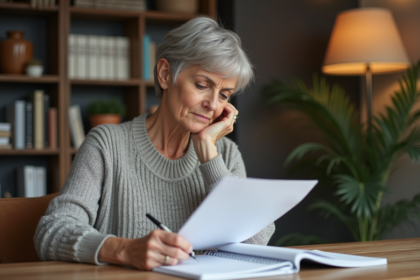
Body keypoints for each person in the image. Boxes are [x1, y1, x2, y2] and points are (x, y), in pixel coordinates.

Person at [35, 16, 275, 271]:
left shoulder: (224, 154)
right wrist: (125, 250)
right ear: (164, 75)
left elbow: (258, 243)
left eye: (224, 95)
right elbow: (51, 231)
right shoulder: (107, 146)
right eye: (202, 85)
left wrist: (208, 155)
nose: (213, 104)